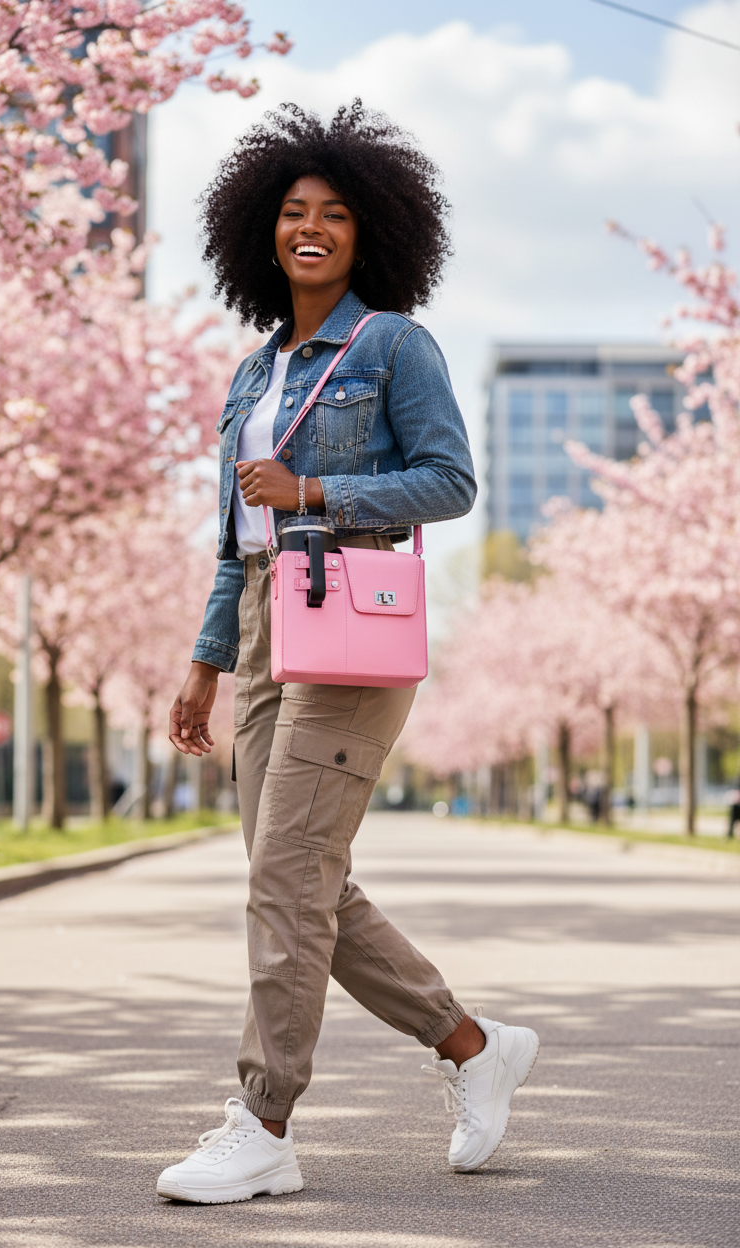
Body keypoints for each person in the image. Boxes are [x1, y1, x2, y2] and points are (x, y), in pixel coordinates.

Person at [158, 101, 539, 1205]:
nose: (310, 228)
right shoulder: (251, 375)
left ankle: (265, 1119)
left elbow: (450, 481)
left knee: (286, 877)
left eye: (332, 213)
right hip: (272, 632)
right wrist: (206, 662)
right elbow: (237, 537)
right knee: (300, 881)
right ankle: (471, 1044)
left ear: (370, 229)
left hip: (353, 629)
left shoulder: (393, 345)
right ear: (260, 233)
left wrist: (320, 488)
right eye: (291, 212)